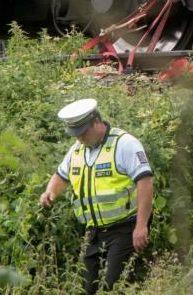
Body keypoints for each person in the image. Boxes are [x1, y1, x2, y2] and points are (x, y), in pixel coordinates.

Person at [39, 98, 153, 295]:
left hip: (124, 228)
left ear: (96, 122)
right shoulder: (76, 150)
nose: (80, 138)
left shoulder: (124, 144)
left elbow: (145, 183)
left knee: (112, 286)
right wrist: (50, 191)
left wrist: (141, 226)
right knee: (89, 288)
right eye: (75, 134)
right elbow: (61, 176)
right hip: (93, 233)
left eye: (83, 132)